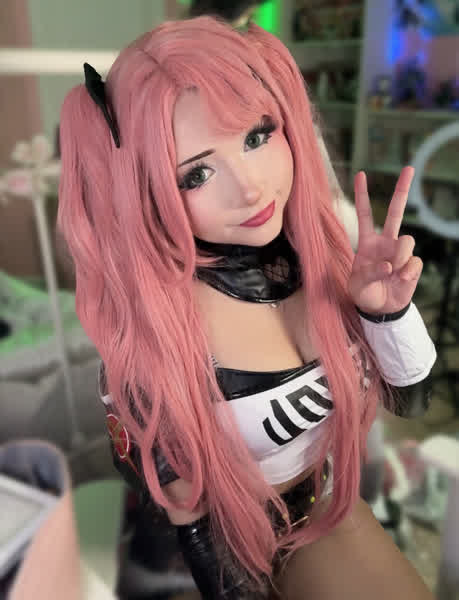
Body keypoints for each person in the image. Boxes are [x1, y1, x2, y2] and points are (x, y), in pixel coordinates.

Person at [57, 16, 436, 599]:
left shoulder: (323, 266)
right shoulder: (161, 338)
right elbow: (192, 522)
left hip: (324, 508)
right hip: (225, 551)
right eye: (197, 173)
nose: (251, 187)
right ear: (146, 193)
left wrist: (385, 314)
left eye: (257, 136)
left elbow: (411, 400)